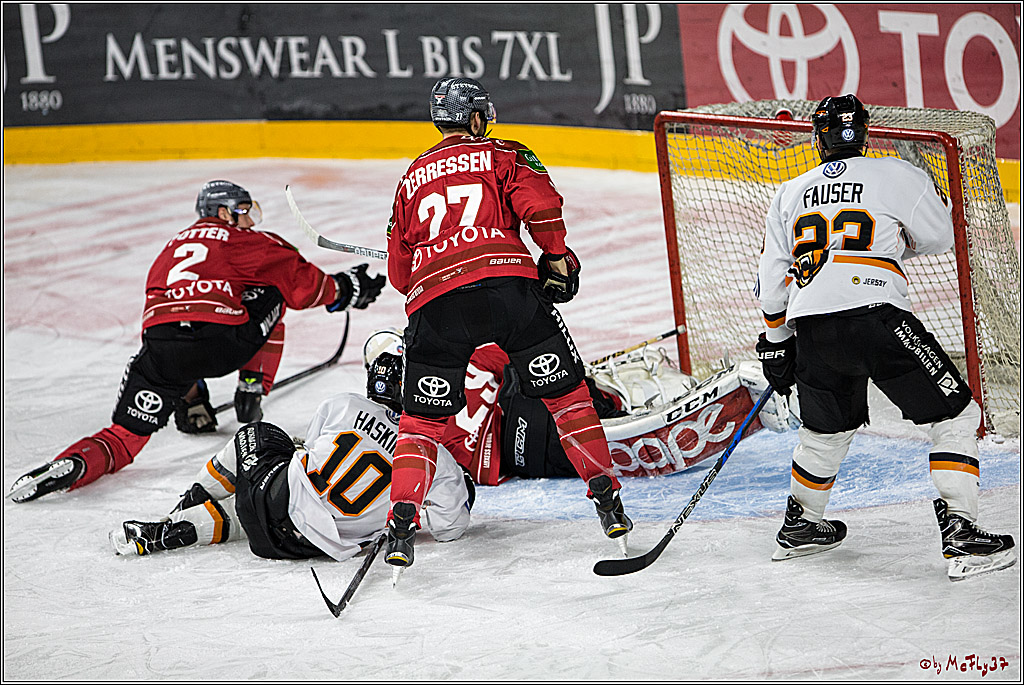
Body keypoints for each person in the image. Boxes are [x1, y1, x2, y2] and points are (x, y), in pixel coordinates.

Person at [754, 94, 1015, 580]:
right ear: (866, 135)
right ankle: (961, 533)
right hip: (877, 316)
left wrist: (776, 341)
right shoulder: (895, 172)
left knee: (825, 430)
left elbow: (773, 281)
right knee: (956, 413)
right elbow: (939, 235)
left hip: (811, 325)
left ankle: (801, 526)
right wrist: (887, 246)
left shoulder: (789, 191)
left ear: (818, 138)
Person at [382, 77, 631, 573]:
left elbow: (398, 274)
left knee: (420, 425)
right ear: (475, 118)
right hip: (509, 293)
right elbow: (540, 206)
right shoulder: (504, 153)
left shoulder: (411, 177)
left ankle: (403, 519)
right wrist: (557, 259)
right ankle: (606, 497)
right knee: (567, 399)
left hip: (435, 306)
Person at [7, 180, 385, 504]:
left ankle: (78, 461)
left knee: (124, 437)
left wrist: (180, 385)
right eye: (242, 211)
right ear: (224, 213)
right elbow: (301, 285)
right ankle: (251, 389)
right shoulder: (243, 240)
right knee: (273, 293)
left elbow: (159, 317)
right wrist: (347, 289)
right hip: (224, 345)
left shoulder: (169, 248)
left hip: (162, 350)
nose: (248, 220)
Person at [109, 343, 473, 560]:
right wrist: (461, 491)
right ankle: (187, 526)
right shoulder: (436, 457)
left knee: (260, 436)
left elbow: (309, 452)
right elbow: (449, 528)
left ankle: (179, 514)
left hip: (271, 502)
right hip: (307, 547)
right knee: (291, 511)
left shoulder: (344, 404)